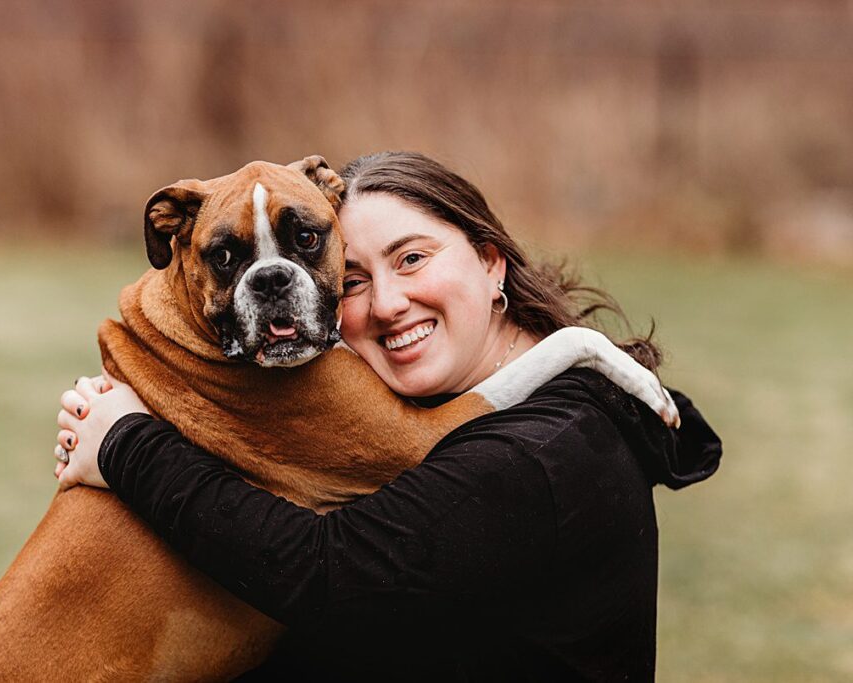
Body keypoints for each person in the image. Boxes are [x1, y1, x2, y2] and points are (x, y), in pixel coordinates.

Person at [53, 151, 721, 681]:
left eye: (412, 258)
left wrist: (126, 444)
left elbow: (324, 574)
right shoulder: (432, 405)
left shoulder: (536, 454)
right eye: (354, 281)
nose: (388, 302)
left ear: (492, 262)